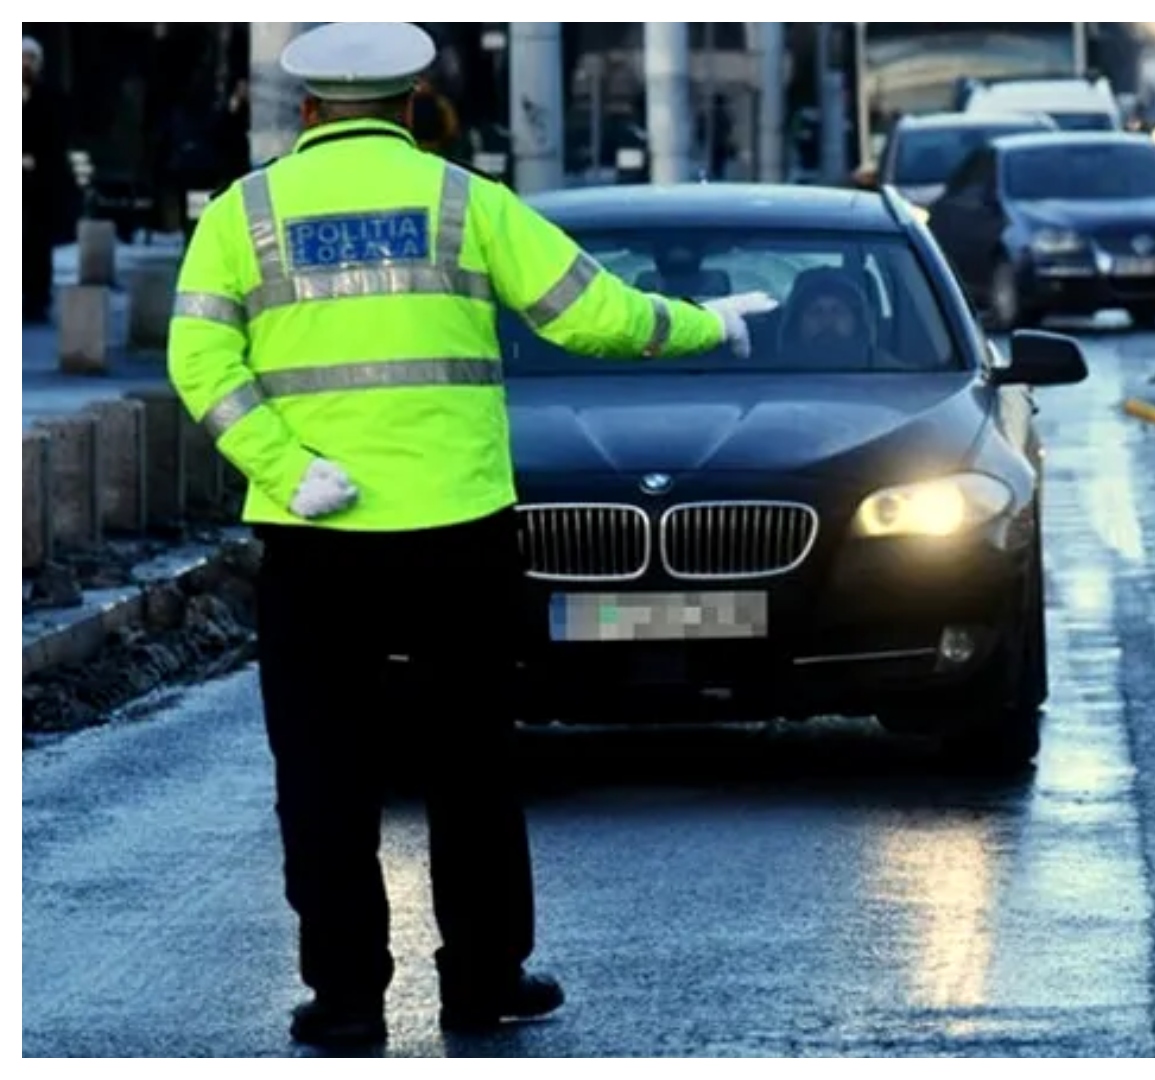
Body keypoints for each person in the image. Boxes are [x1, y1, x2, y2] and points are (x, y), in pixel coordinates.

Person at [165, 21, 776, 1050]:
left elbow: (200, 362)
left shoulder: (244, 212)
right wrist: (710, 324)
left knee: (323, 773)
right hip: (460, 536)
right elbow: (596, 316)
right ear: (413, 107)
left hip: (317, 544)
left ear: (310, 112)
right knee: (471, 768)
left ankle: (351, 1001)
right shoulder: (465, 202)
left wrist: (285, 466)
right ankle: (485, 980)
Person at [23, 35, 73, 323]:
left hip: (40, 183)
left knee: (37, 244)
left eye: (30, 59)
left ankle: (37, 300)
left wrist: (36, 159)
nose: (25, 65)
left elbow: (56, 138)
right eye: (21, 59)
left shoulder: (49, 97)